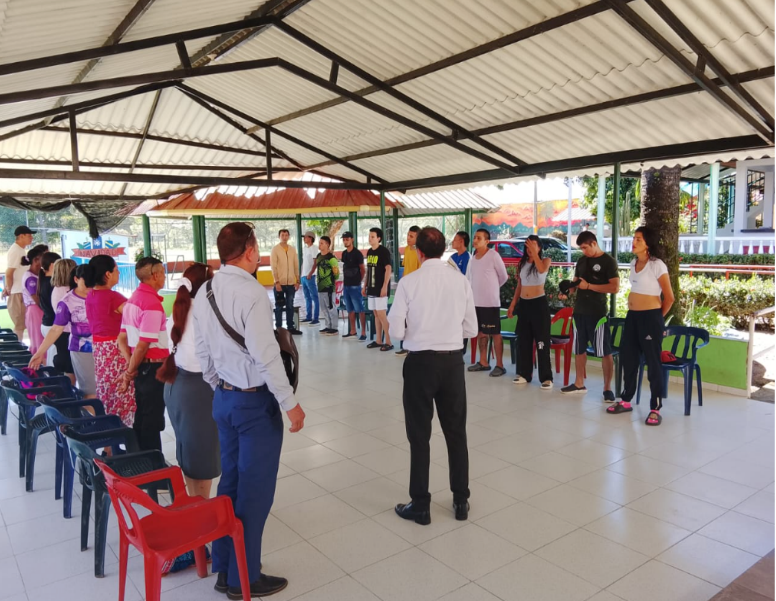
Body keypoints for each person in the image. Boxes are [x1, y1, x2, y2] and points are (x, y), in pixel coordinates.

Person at [192, 222, 306, 599]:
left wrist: (220, 386)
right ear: (250, 251)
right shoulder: (253, 293)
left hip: (224, 400)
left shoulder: (205, 290)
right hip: (254, 404)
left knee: (230, 485)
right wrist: (290, 404)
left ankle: (225, 568)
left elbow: (202, 351)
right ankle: (246, 578)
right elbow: (266, 354)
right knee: (254, 493)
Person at [388, 227, 477, 525]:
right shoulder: (460, 280)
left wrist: (418, 330)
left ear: (419, 251)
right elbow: (472, 329)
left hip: (420, 364)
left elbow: (396, 330)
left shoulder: (409, 282)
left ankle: (421, 505)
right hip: (452, 364)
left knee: (419, 435)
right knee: (456, 432)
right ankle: (461, 500)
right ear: (443, 251)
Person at [157, 262, 220, 499]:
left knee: (189, 451)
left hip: (176, 387)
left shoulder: (179, 311)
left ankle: (194, 502)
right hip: (198, 391)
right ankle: (201, 509)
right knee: (202, 456)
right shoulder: (203, 315)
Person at [607, 226, 674, 426]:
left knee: (653, 364)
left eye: (638, 239)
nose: (634, 242)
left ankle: (655, 408)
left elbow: (669, 298)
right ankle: (626, 400)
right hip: (632, 317)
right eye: (634, 238)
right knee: (629, 359)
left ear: (648, 243)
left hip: (650, 318)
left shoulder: (657, 265)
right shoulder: (633, 263)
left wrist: (656, 319)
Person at [559, 231, 620, 398]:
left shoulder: (608, 261)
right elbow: (575, 283)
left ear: (594, 243)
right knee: (579, 349)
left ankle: (607, 388)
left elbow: (615, 287)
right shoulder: (581, 260)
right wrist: (567, 291)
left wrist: (589, 286)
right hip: (579, 312)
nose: (584, 251)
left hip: (598, 313)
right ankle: (579, 383)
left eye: (585, 247)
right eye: (581, 248)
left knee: (604, 351)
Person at [117, 257, 169, 451]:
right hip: (153, 368)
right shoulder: (151, 304)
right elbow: (143, 345)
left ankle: (141, 458)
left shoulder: (132, 300)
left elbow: (122, 339)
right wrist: (129, 372)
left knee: (143, 416)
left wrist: (131, 365)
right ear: (155, 276)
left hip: (142, 367)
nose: (164, 277)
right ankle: (152, 463)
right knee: (151, 421)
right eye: (163, 272)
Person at [84, 255, 136, 426]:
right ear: (107, 274)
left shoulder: (91, 295)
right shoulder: (113, 297)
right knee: (122, 390)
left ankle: (108, 433)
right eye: (116, 269)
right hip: (115, 350)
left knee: (106, 391)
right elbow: (136, 317)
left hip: (100, 350)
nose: (119, 273)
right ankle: (122, 431)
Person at [29, 265, 95, 397]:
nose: (90, 288)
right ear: (76, 279)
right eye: (86, 283)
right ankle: (89, 410)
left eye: (92, 283)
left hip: (103, 348)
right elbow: (56, 329)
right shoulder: (67, 301)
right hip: (82, 348)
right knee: (90, 390)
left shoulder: (99, 295)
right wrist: (40, 353)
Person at [507, 236, 553, 389]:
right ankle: (524, 374)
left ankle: (546, 378)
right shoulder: (522, 264)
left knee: (541, 342)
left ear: (539, 247)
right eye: (527, 246)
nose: (529, 249)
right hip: (524, 305)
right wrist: (513, 305)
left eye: (533, 246)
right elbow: (519, 286)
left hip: (538, 304)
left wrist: (534, 253)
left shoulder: (545, 261)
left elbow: (541, 270)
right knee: (524, 341)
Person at [467, 229, 508, 377]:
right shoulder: (473, 258)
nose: (475, 240)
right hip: (476, 302)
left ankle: (500, 365)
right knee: (481, 332)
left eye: (479, 238)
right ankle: (483, 362)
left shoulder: (493, 256)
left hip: (490, 303)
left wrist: (492, 289)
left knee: (495, 333)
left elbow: (503, 277)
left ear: (487, 241)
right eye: (475, 237)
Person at [364, 227, 393, 352]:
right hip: (371, 287)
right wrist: (365, 285)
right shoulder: (370, 252)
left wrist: (385, 286)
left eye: (373, 237)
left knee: (382, 314)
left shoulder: (383, 251)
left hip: (381, 288)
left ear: (379, 238)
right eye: (369, 236)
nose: (370, 239)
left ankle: (389, 341)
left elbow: (388, 269)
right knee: (376, 314)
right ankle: (378, 340)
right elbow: (368, 270)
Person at [4, 226, 35, 341]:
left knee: (23, 324)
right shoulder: (16, 251)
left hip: (21, 292)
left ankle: (22, 347)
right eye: (29, 235)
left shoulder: (20, 250)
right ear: (21, 236)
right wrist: (8, 288)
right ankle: (17, 348)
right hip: (17, 293)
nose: (31, 238)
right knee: (19, 325)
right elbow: (9, 273)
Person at [270, 229, 302, 335]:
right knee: (279, 306)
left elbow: (296, 265)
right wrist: (277, 282)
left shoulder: (292, 249)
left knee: (290, 305)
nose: (284, 237)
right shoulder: (275, 250)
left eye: (286, 235)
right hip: (280, 283)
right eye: (282, 235)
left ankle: (290, 327)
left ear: (289, 236)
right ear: (279, 236)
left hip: (291, 283)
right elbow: (273, 266)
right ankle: (279, 328)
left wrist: (297, 280)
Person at [395, 225, 421, 357]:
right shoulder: (406, 249)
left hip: (416, 290)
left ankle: (415, 346)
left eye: (411, 236)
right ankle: (404, 346)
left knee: (414, 319)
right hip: (406, 288)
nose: (408, 238)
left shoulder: (420, 252)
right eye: (408, 235)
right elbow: (406, 270)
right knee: (404, 318)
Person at [50, 258, 76, 383]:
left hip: (63, 333)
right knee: (70, 369)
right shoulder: (66, 291)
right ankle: (70, 392)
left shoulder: (57, 289)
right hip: (66, 333)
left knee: (69, 368)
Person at [21, 244, 49, 354]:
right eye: (42, 259)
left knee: (43, 338)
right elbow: (36, 298)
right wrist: (47, 309)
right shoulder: (30, 278)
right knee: (38, 339)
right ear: (36, 260)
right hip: (35, 309)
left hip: (39, 309)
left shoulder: (38, 274)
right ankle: (39, 362)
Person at [340, 231, 366, 341]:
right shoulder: (344, 254)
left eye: (347, 239)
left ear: (352, 240)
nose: (345, 241)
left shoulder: (357, 254)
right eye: (344, 240)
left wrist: (358, 281)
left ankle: (363, 332)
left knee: (359, 309)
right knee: (350, 309)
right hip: (346, 285)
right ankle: (353, 330)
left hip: (355, 286)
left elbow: (363, 270)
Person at [312, 236, 340, 335]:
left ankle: (334, 328)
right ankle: (328, 326)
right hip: (320, 287)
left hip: (329, 287)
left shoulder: (331, 258)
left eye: (322, 243)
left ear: (327, 245)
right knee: (323, 308)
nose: (319, 245)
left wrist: (330, 281)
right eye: (319, 243)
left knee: (331, 307)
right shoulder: (319, 256)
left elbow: (336, 274)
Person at [38, 251, 61, 367]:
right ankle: (53, 377)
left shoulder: (43, 281)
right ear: (52, 266)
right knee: (55, 356)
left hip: (46, 323)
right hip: (52, 324)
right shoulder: (52, 284)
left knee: (52, 353)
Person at [300, 231, 319, 326]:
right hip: (304, 276)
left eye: (306, 237)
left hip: (310, 276)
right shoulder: (305, 248)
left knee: (314, 297)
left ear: (311, 238)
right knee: (307, 297)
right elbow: (304, 262)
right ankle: (308, 316)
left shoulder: (314, 248)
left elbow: (315, 263)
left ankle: (316, 318)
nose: (304, 238)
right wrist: (301, 274)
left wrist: (310, 273)